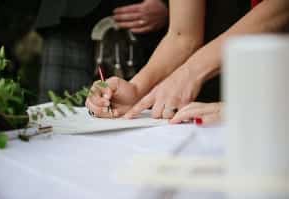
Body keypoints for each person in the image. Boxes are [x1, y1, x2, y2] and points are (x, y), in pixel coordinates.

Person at [86, 0, 289, 125]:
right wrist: (137, 89)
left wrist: (191, 72)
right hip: (222, 96)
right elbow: (182, 36)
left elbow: (280, 8)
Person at [37, 0, 168, 103]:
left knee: (142, 121)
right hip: (67, 18)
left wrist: (169, 5)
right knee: (59, 121)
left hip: (144, 29)